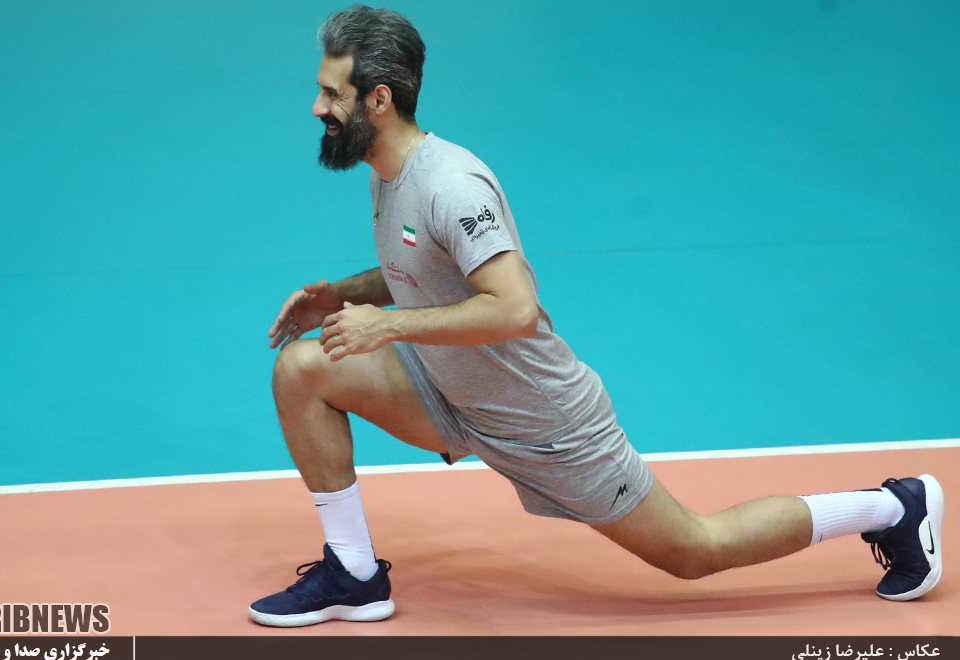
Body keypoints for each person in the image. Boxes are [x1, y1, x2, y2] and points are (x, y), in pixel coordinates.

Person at [248, 5, 945, 628]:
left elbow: (514, 308)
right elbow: (424, 269)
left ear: (379, 99)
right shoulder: (387, 172)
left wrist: (389, 324)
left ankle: (895, 508)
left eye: (331, 93)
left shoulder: (451, 186)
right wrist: (343, 295)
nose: (316, 107)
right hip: (454, 394)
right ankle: (355, 576)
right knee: (304, 368)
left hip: (544, 422)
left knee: (694, 551)